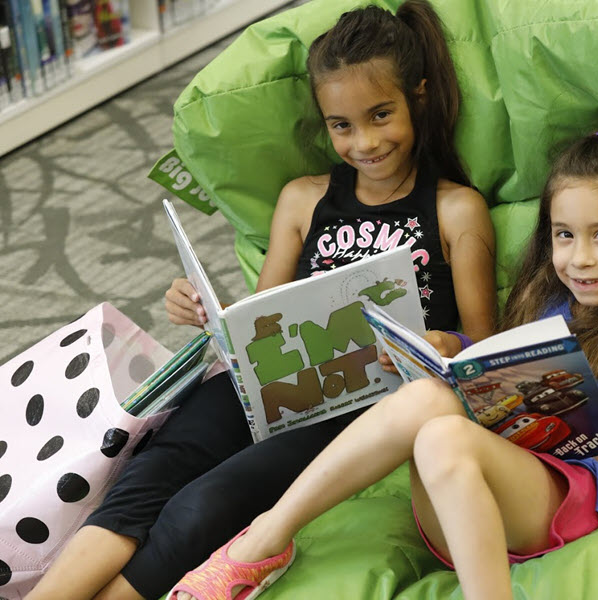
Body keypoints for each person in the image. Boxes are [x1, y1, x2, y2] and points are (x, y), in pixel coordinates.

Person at [26, 2, 495, 599]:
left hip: (352, 405)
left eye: (381, 115)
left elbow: (485, 344)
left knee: (202, 505)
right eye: (342, 125)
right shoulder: (303, 199)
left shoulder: (456, 209)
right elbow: (257, 318)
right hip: (259, 387)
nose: (365, 142)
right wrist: (202, 312)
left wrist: (445, 343)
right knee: (148, 476)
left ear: (418, 98)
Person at [167, 122, 598, 600]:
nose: (580, 258)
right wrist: (453, 351)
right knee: (428, 400)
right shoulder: (542, 300)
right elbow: (493, 376)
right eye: (564, 235)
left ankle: (263, 545)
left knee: (439, 435)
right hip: (463, 507)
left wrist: (554, 434)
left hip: (569, 499)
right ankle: (263, 543)